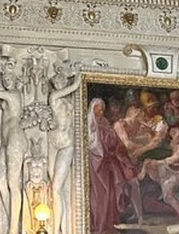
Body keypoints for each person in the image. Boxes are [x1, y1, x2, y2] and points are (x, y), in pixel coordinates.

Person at [0, 61, 27, 234]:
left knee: (12, 183)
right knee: (1, 183)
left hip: (16, 139)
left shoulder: (13, 95)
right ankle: (14, 222)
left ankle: (13, 229)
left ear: (15, 80)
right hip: (6, 141)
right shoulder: (11, 93)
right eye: (5, 78)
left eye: (10, 77)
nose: (7, 80)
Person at [87, 98, 133, 234]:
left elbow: (115, 142)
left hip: (108, 163)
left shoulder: (106, 123)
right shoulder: (90, 125)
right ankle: (98, 226)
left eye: (102, 108)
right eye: (97, 108)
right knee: (100, 194)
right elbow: (93, 144)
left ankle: (109, 225)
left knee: (111, 193)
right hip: (97, 165)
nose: (100, 111)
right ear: (92, 109)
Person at [48, 67, 81, 234]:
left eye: (62, 80)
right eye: (57, 81)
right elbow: (74, 86)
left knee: (57, 187)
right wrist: (77, 73)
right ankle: (54, 225)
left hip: (67, 144)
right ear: (54, 84)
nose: (60, 82)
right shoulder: (54, 96)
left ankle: (61, 228)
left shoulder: (68, 101)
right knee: (51, 186)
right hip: (53, 142)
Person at [138, 127, 179, 222]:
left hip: (178, 173)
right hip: (169, 170)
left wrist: (159, 162)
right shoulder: (171, 144)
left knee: (169, 196)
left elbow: (174, 159)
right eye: (175, 135)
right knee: (148, 162)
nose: (178, 138)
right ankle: (143, 173)